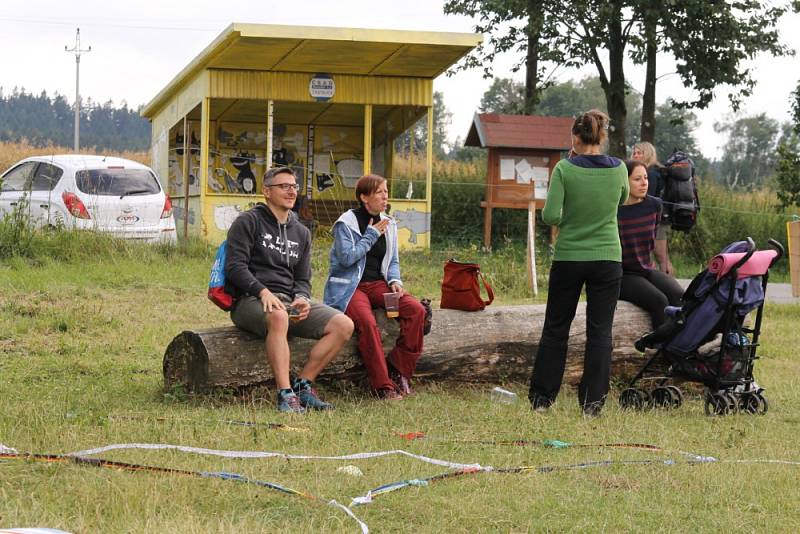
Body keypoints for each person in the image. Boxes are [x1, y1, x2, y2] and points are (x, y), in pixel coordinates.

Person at [225, 166, 354, 413]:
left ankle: (303, 386)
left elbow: (303, 278)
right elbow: (235, 268)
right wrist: (263, 291)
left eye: (294, 186)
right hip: (250, 300)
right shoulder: (248, 221)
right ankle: (285, 395)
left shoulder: (302, 231)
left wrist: (303, 298)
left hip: (288, 302)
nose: (291, 191)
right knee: (279, 315)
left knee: (344, 325)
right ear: (266, 191)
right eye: (284, 186)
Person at [528, 110, 629, 417]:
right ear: (603, 137)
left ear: (575, 137)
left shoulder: (564, 169)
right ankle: (592, 404)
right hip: (608, 257)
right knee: (601, 331)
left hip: (570, 256)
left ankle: (542, 400)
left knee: (556, 328)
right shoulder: (620, 169)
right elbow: (622, 200)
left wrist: (573, 214)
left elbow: (551, 216)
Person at [324, 174, 425, 400]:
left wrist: (395, 281)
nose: (385, 196)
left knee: (416, 310)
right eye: (379, 192)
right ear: (364, 197)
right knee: (368, 323)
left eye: (386, 191)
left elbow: (393, 261)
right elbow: (347, 258)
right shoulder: (346, 223)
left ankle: (399, 370)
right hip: (350, 286)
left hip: (378, 284)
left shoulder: (389, 223)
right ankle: (382, 386)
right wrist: (370, 235)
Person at [618, 160, 684, 329]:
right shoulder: (614, 209)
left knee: (678, 294)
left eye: (646, 178)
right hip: (622, 275)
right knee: (659, 301)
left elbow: (657, 237)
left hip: (646, 269)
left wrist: (665, 262)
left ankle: (679, 344)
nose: (644, 183)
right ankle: (658, 347)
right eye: (637, 179)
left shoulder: (655, 205)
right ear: (624, 181)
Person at [632, 142, 673, 275]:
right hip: (657, 219)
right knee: (661, 258)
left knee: (662, 258)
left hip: (658, 221)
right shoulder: (654, 171)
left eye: (640, 153)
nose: (636, 155)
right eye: (634, 153)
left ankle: (670, 289)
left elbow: (647, 198)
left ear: (648, 154)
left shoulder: (652, 173)